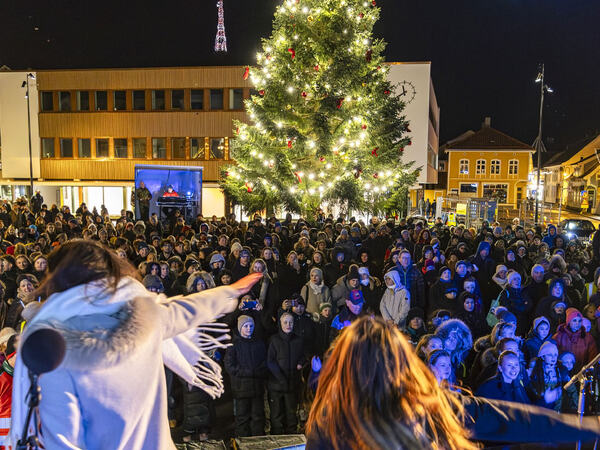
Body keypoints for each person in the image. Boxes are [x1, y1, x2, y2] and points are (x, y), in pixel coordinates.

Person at [10, 240, 262, 449]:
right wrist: (228, 292)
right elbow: (189, 309)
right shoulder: (147, 316)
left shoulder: (54, 348)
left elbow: (62, 441)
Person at [306, 316, 600, 449]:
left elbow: (504, 417)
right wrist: (586, 427)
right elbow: (508, 419)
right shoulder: (425, 403)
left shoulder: (328, 418)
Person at [224, 316, 267, 437]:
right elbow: (230, 366)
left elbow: (265, 362)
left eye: (251, 326)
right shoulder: (233, 345)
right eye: (246, 326)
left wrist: (257, 372)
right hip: (241, 389)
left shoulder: (259, 343)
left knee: (258, 417)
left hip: (257, 388)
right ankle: (242, 442)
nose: (249, 329)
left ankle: (258, 442)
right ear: (240, 327)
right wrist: (248, 372)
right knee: (242, 418)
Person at [267, 312, 305, 435]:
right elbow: (270, 361)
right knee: (276, 413)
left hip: (292, 383)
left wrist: (300, 362)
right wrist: (280, 378)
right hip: (276, 384)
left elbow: (303, 355)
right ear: (281, 324)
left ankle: (292, 436)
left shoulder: (298, 340)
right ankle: (277, 436)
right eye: (285, 322)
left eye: (291, 322)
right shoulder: (274, 340)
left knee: (291, 412)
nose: (288, 325)